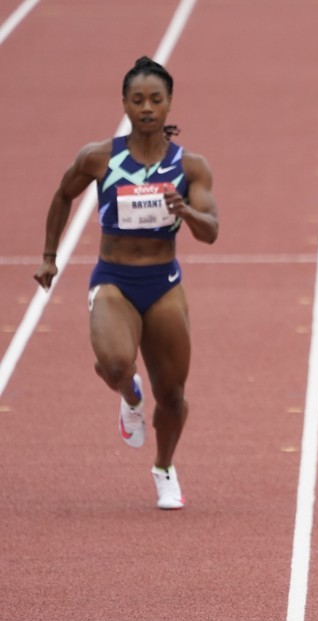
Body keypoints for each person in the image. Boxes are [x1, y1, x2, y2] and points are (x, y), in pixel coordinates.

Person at [33, 56, 219, 510]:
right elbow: (62, 195)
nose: (147, 108)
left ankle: (164, 468)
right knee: (116, 366)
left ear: (170, 103)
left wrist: (185, 211)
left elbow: (211, 229)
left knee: (172, 395)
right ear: (124, 104)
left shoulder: (189, 166)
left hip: (163, 282)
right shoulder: (100, 157)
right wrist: (49, 257)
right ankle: (129, 395)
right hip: (114, 278)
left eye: (156, 99)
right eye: (138, 100)